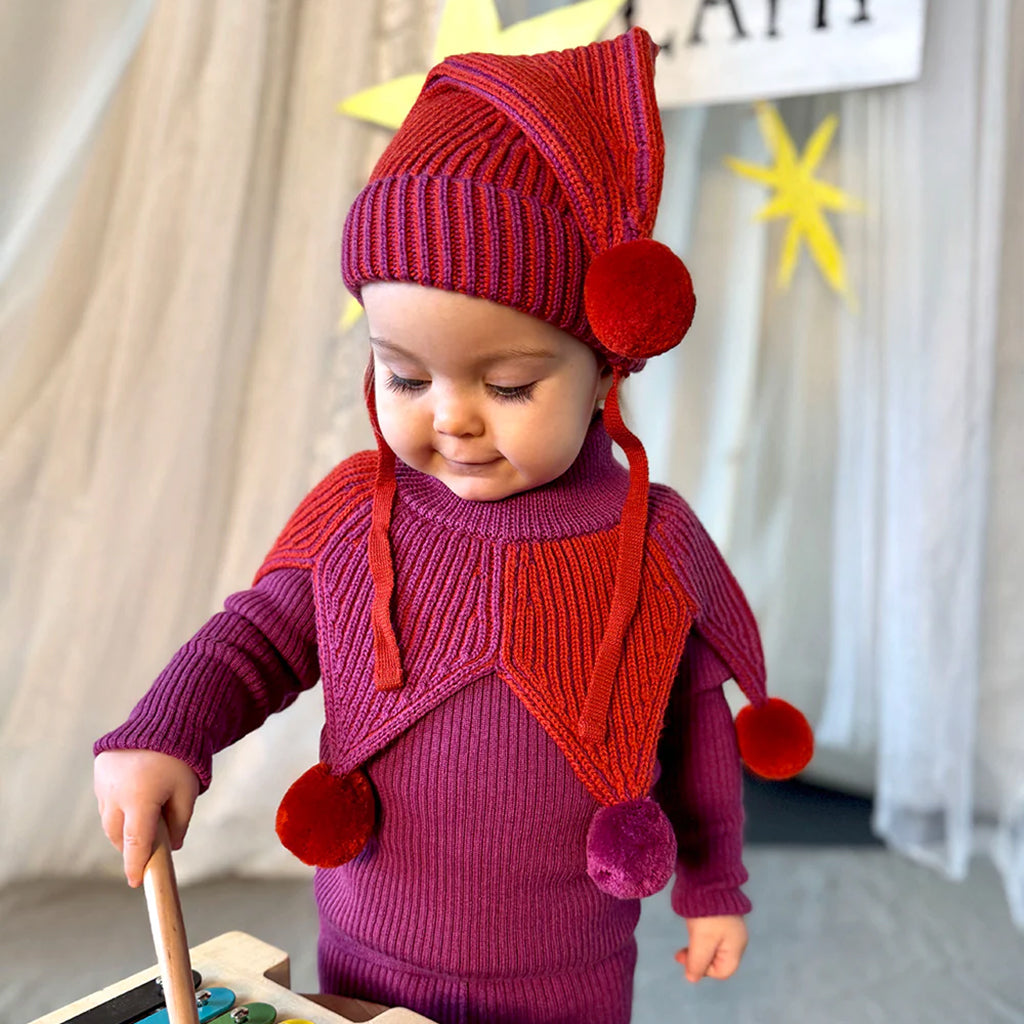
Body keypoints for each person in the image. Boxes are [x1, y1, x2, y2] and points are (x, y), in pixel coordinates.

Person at [93, 27, 813, 1024]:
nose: (452, 417)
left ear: (605, 365)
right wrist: (164, 731)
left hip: (568, 971)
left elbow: (691, 724)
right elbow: (253, 638)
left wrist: (713, 884)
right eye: (404, 375)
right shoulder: (360, 516)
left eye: (508, 384)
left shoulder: (649, 541)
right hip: (370, 955)